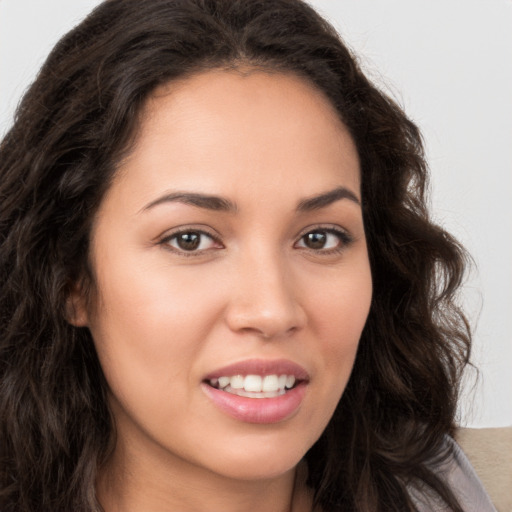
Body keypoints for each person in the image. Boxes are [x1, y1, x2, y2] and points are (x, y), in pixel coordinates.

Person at [0, 1, 497, 511]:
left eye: (320, 238)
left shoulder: (430, 492)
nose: (272, 310)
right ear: (69, 279)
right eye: (189, 239)